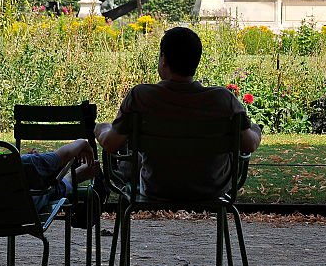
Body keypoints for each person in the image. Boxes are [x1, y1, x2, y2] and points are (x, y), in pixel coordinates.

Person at [95, 26, 262, 202]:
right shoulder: (223, 99)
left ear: (164, 60)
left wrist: (101, 128)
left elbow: (111, 143)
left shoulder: (141, 97)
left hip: (156, 189)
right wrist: (257, 129)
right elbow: (248, 144)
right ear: (196, 61)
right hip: (212, 190)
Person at [0, 104, 99, 214]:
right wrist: (82, 143)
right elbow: (62, 155)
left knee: (37, 174)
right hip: (18, 212)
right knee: (47, 190)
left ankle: (54, 175)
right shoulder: (22, 162)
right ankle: (72, 177)